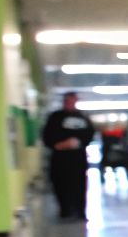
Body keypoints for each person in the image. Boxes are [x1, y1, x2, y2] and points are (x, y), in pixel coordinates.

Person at [40, 92, 94, 221]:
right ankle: (65, 210)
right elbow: (48, 137)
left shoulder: (83, 117)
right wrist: (61, 144)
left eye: (73, 100)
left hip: (78, 158)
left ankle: (80, 211)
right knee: (61, 183)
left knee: (79, 185)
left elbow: (89, 135)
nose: (71, 103)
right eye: (68, 101)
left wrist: (77, 143)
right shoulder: (55, 117)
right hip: (60, 158)